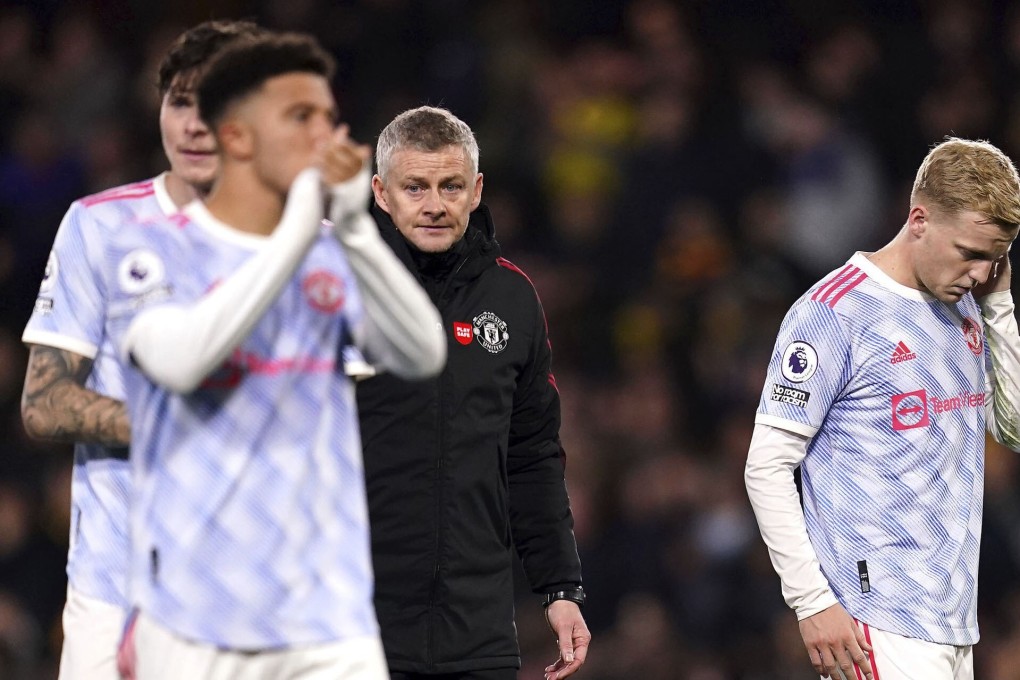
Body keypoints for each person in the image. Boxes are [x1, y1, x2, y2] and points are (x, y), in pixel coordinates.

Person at [106, 33, 445, 679]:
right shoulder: (143, 249)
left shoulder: (328, 252)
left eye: (328, 116)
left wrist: (352, 233)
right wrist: (297, 224)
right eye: (300, 117)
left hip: (328, 621)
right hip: (196, 620)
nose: (326, 135)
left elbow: (423, 352)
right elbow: (181, 362)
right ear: (237, 138)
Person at [19, 20, 263, 679]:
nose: (193, 125)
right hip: (113, 589)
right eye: (180, 101)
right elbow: (41, 404)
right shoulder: (98, 226)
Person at [745, 137, 1020, 680]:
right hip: (875, 622)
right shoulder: (833, 314)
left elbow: (1013, 429)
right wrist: (812, 602)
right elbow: (767, 465)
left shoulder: (969, 307)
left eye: (995, 259)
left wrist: (999, 307)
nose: (979, 273)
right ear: (919, 219)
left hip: (955, 622)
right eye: (970, 253)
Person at [356, 105, 590, 680]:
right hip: (354, 626)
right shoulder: (343, 293)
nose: (435, 204)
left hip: (478, 630)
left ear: (476, 189)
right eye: (416, 187)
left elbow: (532, 456)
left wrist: (559, 586)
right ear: (382, 193)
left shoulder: (513, 300)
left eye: (451, 186)